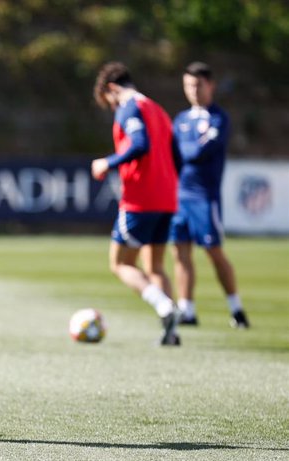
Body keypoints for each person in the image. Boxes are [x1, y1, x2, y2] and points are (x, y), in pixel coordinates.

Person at [90, 62, 181, 346]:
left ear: (112, 89)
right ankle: (171, 332)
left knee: (120, 264)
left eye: (109, 102)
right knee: (154, 266)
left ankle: (165, 307)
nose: (112, 107)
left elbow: (140, 144)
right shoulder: (159, 109)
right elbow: (176, 153)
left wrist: (108, 161)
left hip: (141, 199)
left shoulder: (129, 107)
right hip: (167, 197)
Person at [170, 61, 250, 328]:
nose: (193, 90)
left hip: (204, 196)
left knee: (213, 251)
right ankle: (187, 310)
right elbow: (175, 156)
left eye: (198, 85)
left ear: (210, 85)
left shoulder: (218, 117)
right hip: (178, 196)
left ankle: (236, 309)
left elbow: (196, 153)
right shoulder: (181, 120)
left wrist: (186, 148)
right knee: (179, 252)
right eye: (188, 85)